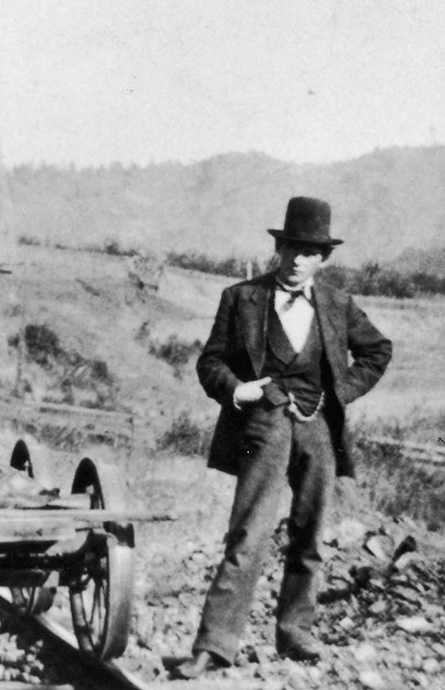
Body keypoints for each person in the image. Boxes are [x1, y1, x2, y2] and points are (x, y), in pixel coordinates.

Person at [173, 197, 392, 679]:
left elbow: (378, 350)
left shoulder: (338, 304)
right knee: (248, 533)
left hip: (318, 429)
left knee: (310, 534)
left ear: (323, 258)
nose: (296, 260)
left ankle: (295, 633)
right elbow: (210, 362)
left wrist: (342, 392)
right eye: (290, 248)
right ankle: (214, 645)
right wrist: (238, 389)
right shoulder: (240, 297)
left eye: (309, 252)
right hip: (262, 426)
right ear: (279, 248)